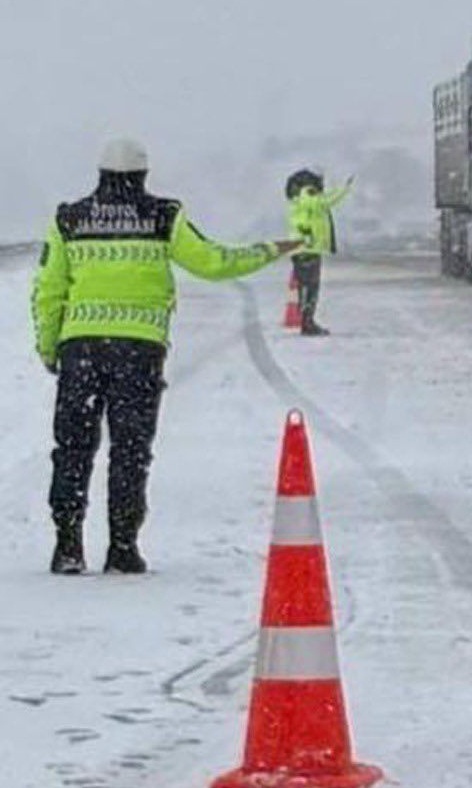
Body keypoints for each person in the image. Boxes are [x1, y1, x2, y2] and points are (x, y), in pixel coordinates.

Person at [32, 139, 302, 575]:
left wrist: (48, 347)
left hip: (80, 349)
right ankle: (123, 547)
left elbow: (48, 290)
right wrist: (270, 250)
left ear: (100, 174)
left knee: (73, 448)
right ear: (143, 176)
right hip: (138, 352)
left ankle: (67, 544)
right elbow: (214, 262)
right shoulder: (163, 216)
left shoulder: (69, 218)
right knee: (131, 450)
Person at [284, 168, 354, 336]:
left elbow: (320, 203)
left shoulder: (297, 199)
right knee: (310, 286)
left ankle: (306, 321)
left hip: (301, 248)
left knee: (304, 285)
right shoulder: (307, 194)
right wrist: (344, 189)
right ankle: (307, 323)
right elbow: (324, 203)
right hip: (308, 248)